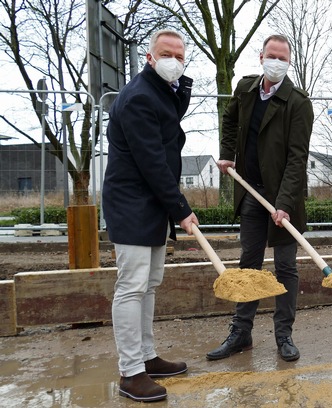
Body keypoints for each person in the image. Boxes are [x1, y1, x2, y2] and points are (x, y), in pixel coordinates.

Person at [102, 29, 199, 402]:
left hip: (153, 205)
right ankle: (131, 373)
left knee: (150, 284)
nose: (174, 60)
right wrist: (182, 209)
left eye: (180, 55)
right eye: (166, 53)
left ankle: (146, 356)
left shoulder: (160, 92)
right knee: (131, 286)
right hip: (132, 204)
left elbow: (171, 120)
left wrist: (173, 208)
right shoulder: (138, 98)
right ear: (149, 56)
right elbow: (152, 162)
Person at [208, 34, 314, 362]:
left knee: (285, 267)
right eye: (272, 56)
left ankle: (284, 335)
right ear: (261, 56)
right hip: (250, 191)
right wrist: (227, 154)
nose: (277, 62)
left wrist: (283, 203)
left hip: (284, 196)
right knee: (249, 264)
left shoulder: (298, 102)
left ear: (289, 62)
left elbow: (298, 158)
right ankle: (241, 334)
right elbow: (229, 120)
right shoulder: (245, 89)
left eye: (283, 58)